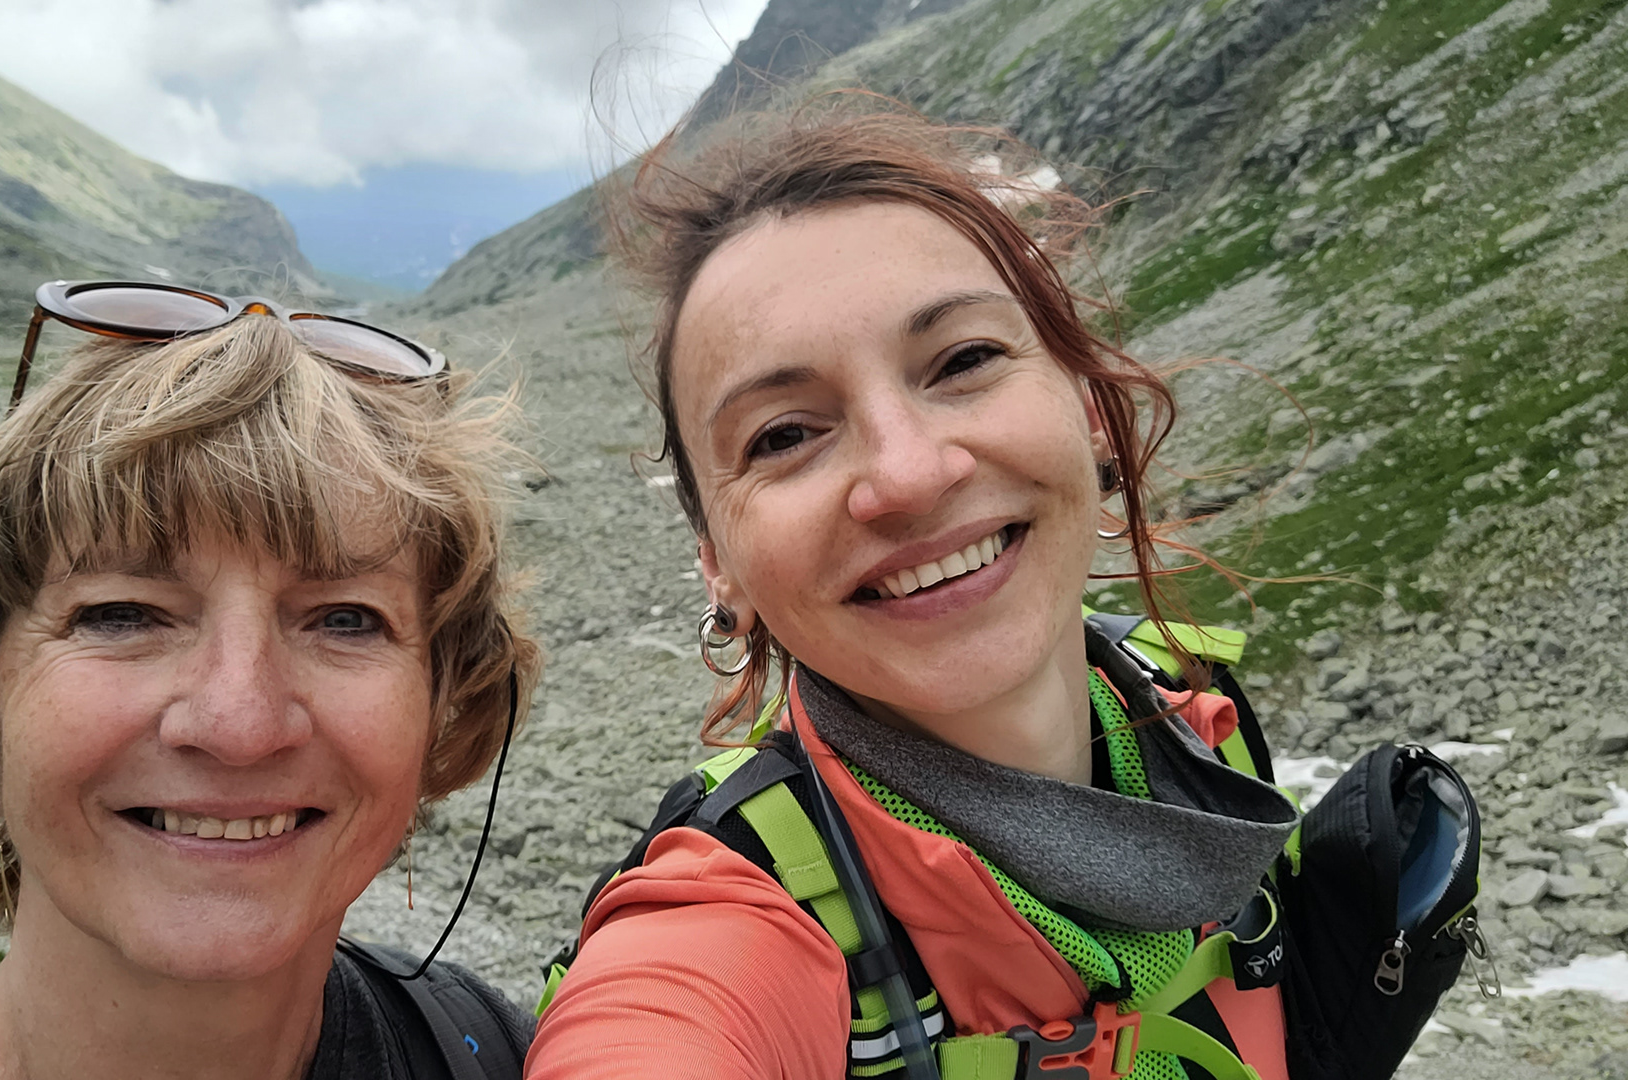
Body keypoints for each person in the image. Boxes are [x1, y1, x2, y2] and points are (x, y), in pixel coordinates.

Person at [523, 102, 1312, 1079]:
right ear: (718, 562)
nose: (908, 474)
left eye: (964, 360)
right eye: (784, 435)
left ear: (1090, 411)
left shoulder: (1202, 719)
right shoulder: (727, 915)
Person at [0, 282, 541, 1080]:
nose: (239, 725)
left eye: (346, 620)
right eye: (121, 615)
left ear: (445, 701)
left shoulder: (518, 1055)